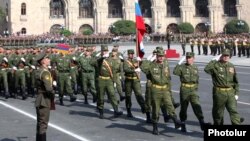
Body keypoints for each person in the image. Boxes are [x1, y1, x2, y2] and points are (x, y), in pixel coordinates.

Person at [140, 49, 182, 135]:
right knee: (156, 108)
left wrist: (169, 89)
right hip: (156, 90)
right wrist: (148, 59)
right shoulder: (151, 66)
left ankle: (176, 121)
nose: (161, 58)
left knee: (170, 105)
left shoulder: (165, 66)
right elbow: (143, 67)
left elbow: (168, 78)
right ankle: (155, 127)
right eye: (159, 56)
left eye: (162, 56)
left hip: (165, 89)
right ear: (156, 56)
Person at [204, 49, 244, 125]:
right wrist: (214, 60)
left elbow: (235, 81)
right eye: (224, 55)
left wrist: (237, 93)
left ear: (229, 57)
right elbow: (206, 69)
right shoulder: (216, 65)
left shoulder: (231, 66)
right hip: (219, 93)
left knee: (233, 111)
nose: (225, 57)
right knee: (218, 113)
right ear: (221, 56)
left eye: (227, 56)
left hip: (230, 93)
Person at [173, 52, 210, 132]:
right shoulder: (182, 67)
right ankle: (183, 124)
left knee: (197, 106)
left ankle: (202, 124)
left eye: (190, 58)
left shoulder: (195, 67)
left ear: (193, 58)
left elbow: (197, 80)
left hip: (193, 90)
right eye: (187, 58)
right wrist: (179, 63)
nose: (188, 59)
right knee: (184, 108)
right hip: (184, 89)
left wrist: (195, 88)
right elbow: (175, 72)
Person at [35, 51, 55, 141]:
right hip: (44, 99)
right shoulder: (45, 73)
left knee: (40, 123)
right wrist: (53, 92)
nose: (49, 60)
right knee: (43, 124)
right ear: (43, 61)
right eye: (47, 58)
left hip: (39, 98)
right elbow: (48, 89)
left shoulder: (39, 71)